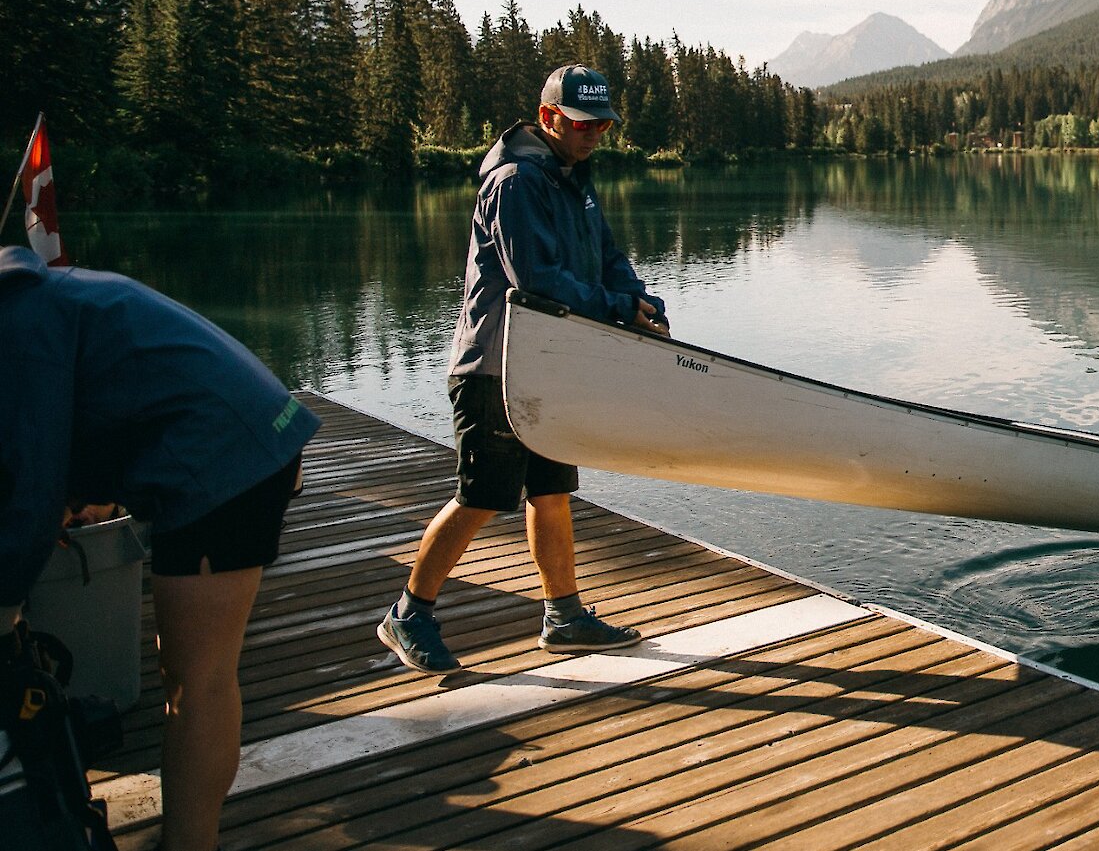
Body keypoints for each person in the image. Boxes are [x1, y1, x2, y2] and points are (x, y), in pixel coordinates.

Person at [0, 246, 321, 851]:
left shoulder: (18, 321)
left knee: (197, 678)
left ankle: (190, 844)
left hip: (229, 451)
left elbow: (30, 483)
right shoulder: (31, 297)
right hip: (231, 425)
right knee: (186, 668)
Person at [379, 64, 669, 674]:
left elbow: (607, 258)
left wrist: (638, 299)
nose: (594, 134)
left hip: (547, 365)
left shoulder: (572, 180)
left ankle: (564, 618)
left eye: (603, 125)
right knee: (481, 496)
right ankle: (408, 614)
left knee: (551, 489)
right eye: (583, 124)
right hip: (495, 367)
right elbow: (536, 281)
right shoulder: (515, 181)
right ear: (549, 119)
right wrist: (616, 308)